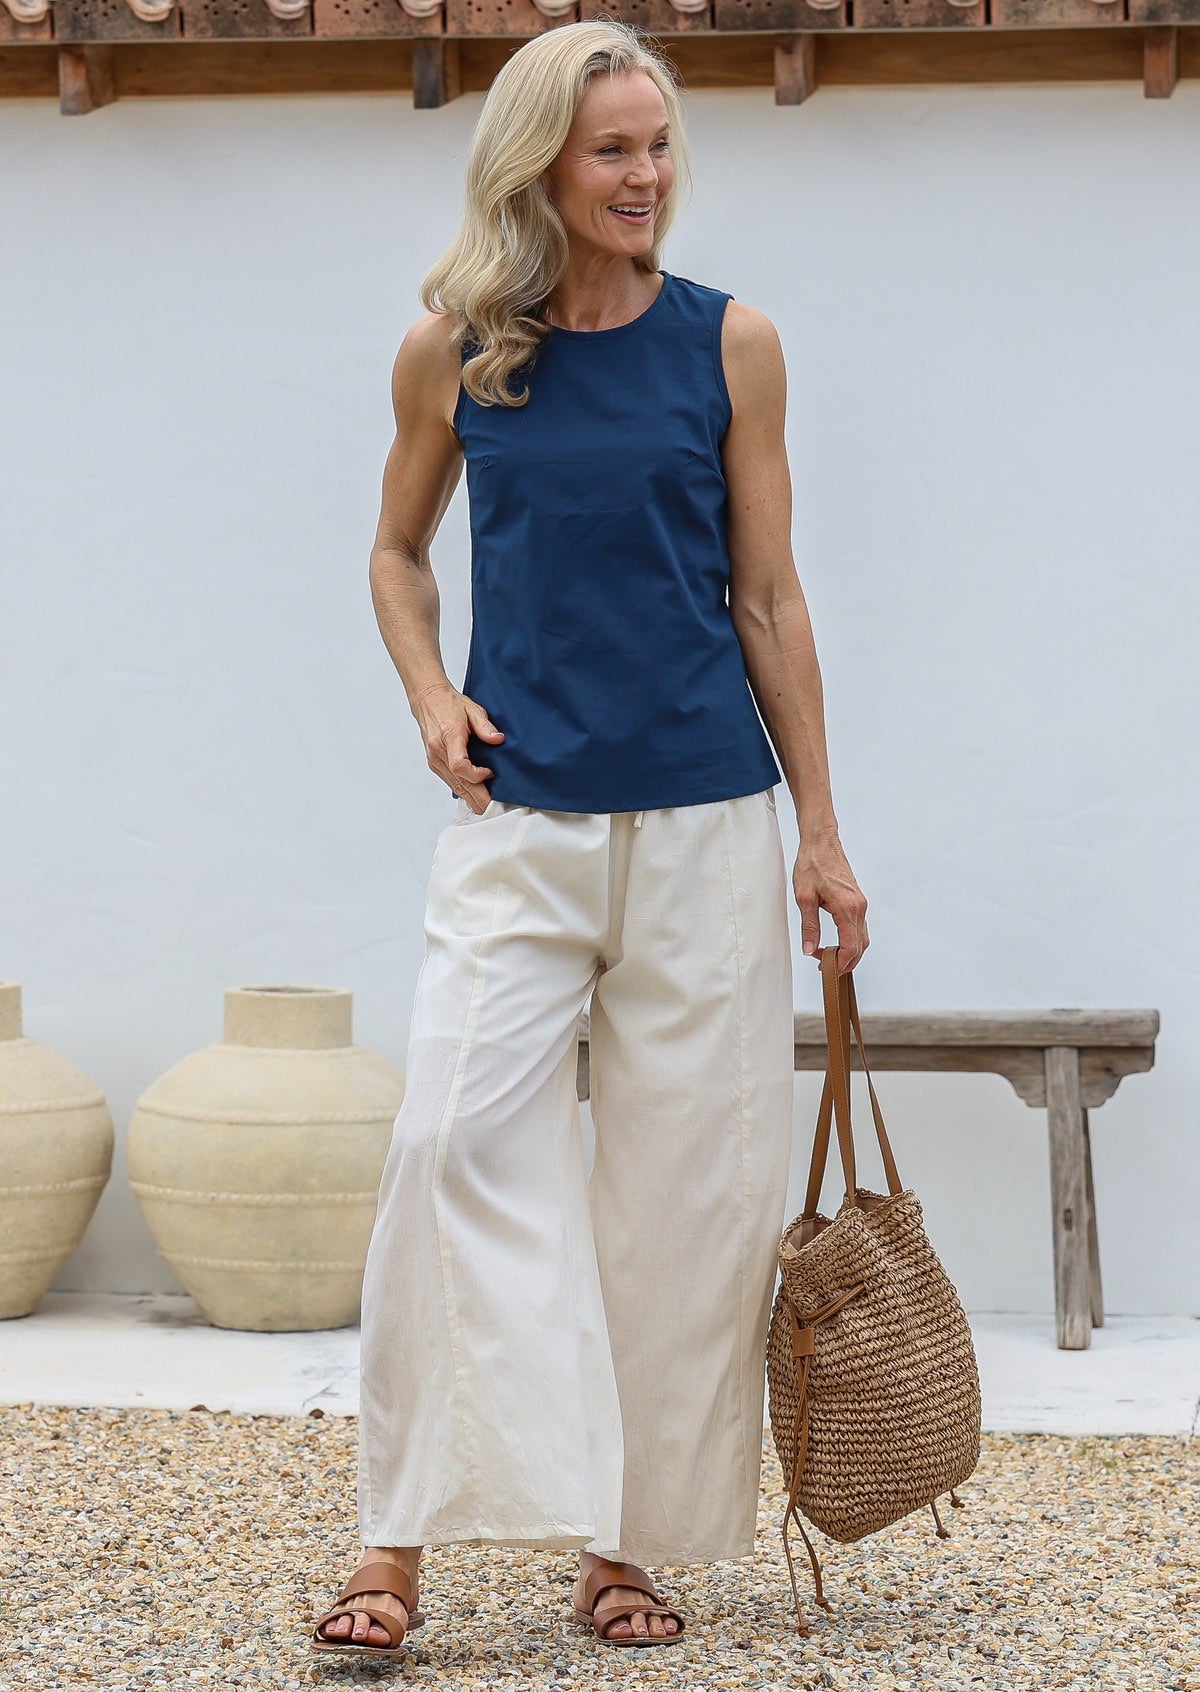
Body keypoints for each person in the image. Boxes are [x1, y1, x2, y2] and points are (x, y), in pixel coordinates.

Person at [310, 15, 869, 1659]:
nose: (647, 175)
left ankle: (628, 1549)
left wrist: (820, 833)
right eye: (614, 148)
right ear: (542, 161)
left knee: (685, 1205)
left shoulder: (732, 344)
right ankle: (394, 1541)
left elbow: (767, 597)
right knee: (440, 1151)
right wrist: (429, 696)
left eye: (660, 146)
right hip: (522, 821)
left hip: (707, 822)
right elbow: (397, 555)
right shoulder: (455, 349)